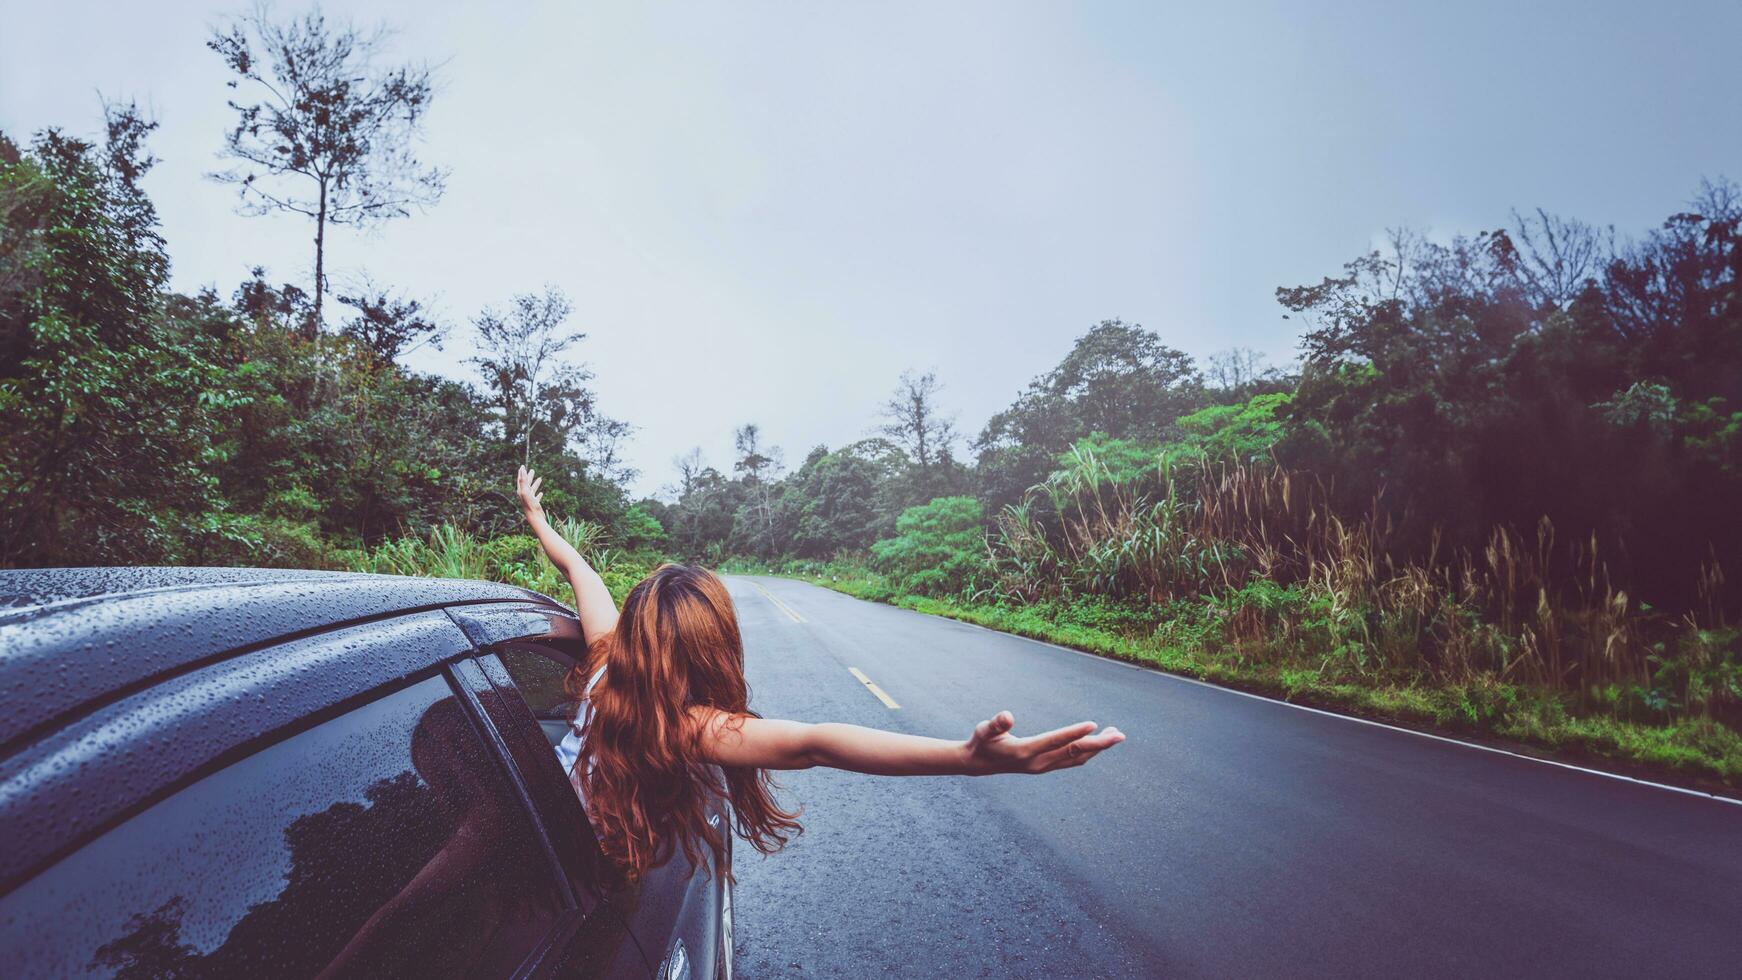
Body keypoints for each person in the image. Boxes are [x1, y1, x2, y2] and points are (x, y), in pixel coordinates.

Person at [515, 466, 1125, 881]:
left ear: (637, 635)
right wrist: (965, 757)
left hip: (536, 834)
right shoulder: (688, 726)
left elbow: (582, 575)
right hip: (573, 866)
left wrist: (538, 519)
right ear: (712, 650)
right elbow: (818, 744)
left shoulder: (603, 671)